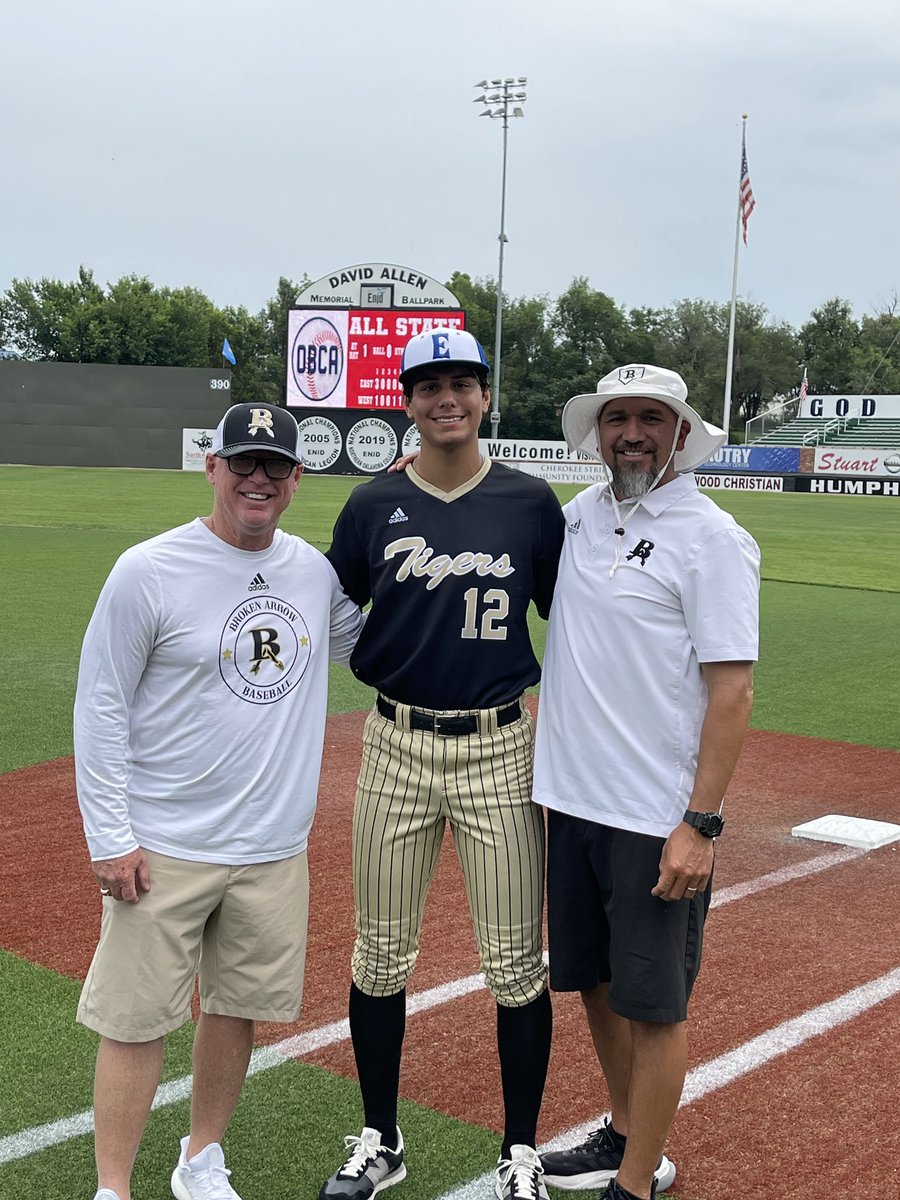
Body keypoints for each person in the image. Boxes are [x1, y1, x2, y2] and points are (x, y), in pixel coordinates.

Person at [73, 402, 363, 1200]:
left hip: (273, 846)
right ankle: (113, 1187)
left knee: (235, 1009)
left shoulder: (312, 571)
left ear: (298, 478)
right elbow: (99, 703)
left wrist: (407, 529)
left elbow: (366, 644)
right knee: (135, 1021)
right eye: (243, 462)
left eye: (275, 465)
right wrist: (110, 834)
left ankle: (201, 1158)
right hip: (165, 840)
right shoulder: (149, 569)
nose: (257, 478)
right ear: (213, 467)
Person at [319, 328, 566, 1200]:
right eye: (429, 385)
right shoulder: (371, 505)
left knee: (515, 964)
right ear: (409, 400)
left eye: (462, 382)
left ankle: (521, 1152)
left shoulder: (530, 503)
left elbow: (575, 625)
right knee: (380, 955)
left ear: (486, 395)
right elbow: (327, 608)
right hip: (393, 744)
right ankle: (381, 1139)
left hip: (499, 745)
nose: (446, 398)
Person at [533, 364, 760, 1200]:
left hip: (652, 814)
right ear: (597, 432)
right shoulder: (581, 516)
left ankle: (636, 1184)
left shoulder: (712, 537)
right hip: (572, 800)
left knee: (655, 1003)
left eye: (650, 418)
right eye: (617, 417)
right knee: (592, 978)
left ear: (680, 432)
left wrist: (700, 822)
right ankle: (626, 1134)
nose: (631, 432)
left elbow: (732, 690)